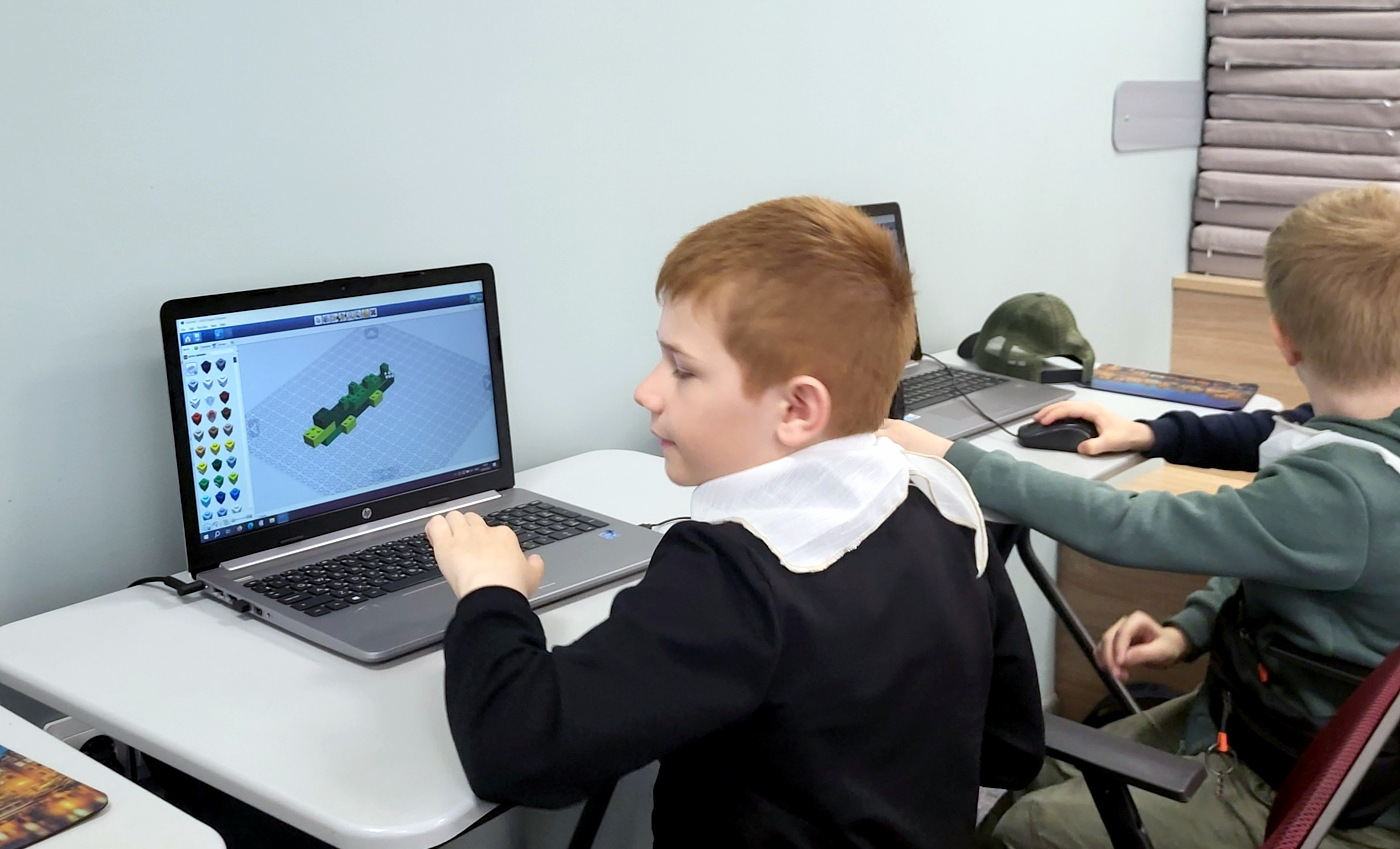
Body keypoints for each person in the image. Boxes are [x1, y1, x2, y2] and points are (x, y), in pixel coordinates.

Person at [425, 196, 1044, 847]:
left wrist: (490, 591)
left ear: (797, 409)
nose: (647, 390)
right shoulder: (944, 503)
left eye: (683, 369)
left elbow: (518, 752)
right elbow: (1010, 751)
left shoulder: (734, 576)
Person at [881, 184, 1400, 849]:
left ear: (1282, 338)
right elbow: (1279, 536)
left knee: (1022, 825)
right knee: (1039, 767)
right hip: (1291, 726)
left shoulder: (1340, 495)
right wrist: (1190, 628)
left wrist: (950, 456)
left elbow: (1128, 525)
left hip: (1306, 788)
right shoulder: (1367, 456)